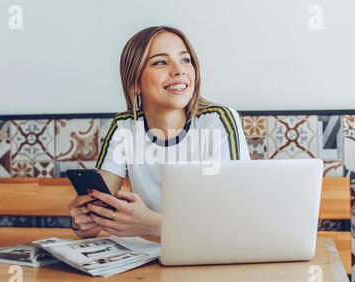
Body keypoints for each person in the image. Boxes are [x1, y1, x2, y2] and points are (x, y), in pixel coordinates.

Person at [68, 26, 250, 239]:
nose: (179, 70)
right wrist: (83, 222)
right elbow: (97, 208)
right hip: (152, 260)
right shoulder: (124, 127)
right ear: (135, 82)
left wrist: (154, 225)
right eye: (161, 62)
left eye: (185, 60)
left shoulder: (217, 120)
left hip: (211, 256)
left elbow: (234, 219)